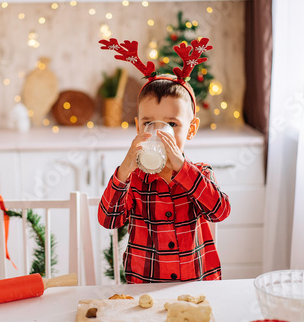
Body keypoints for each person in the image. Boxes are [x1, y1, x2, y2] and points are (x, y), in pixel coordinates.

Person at [98, 37, 231, 283]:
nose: (160, 132)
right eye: (149, 123)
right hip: (145, 289)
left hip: (196, 287)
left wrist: (182, 169)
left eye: (172, 124)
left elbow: (220, 211)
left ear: (191, 129)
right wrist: (125, 170)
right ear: (138, 127)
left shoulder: (201, 173)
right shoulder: (134, 179)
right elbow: (108, 219)